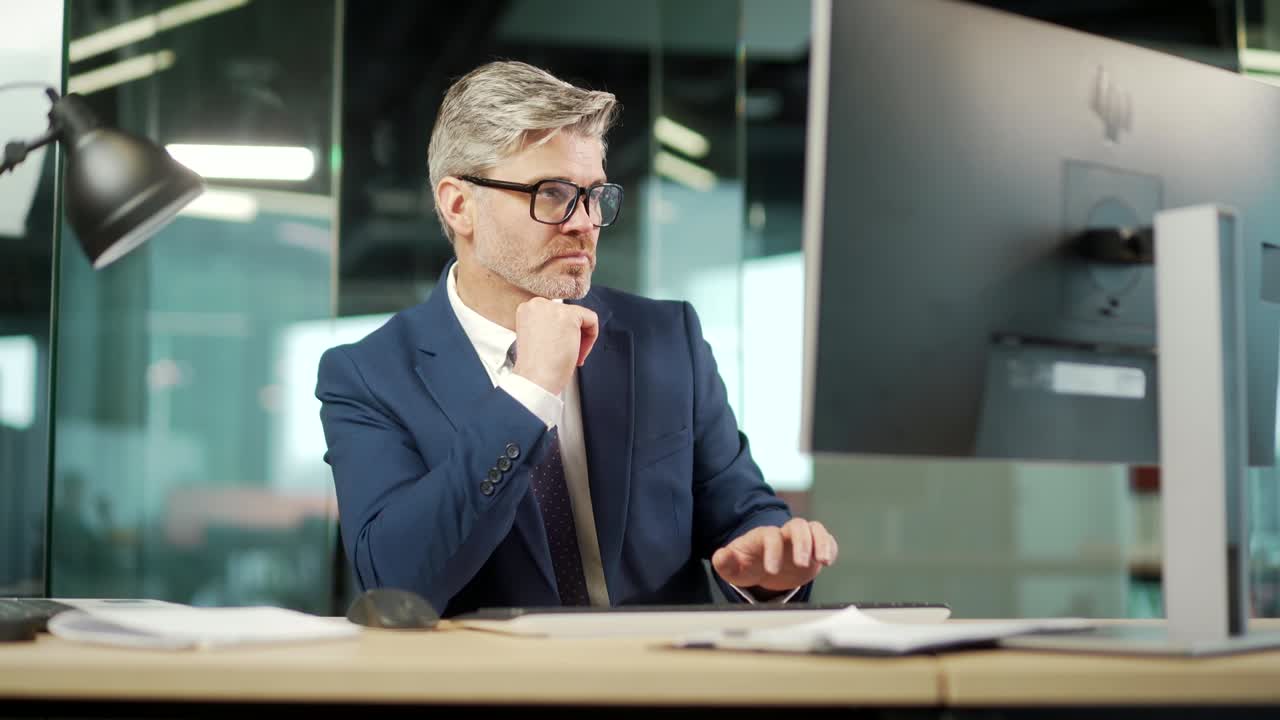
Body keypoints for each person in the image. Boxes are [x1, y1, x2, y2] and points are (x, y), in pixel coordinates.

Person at [316, 60, 838, 616]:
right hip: (489, 694)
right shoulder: (368, 375)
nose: (583, 222)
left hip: (661, 687)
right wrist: (529, 391)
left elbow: (743, 513)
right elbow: (397, 580)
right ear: (459, 204)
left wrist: (768, 565)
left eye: (594, 195)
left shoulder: (666, 337)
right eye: (553, 193)